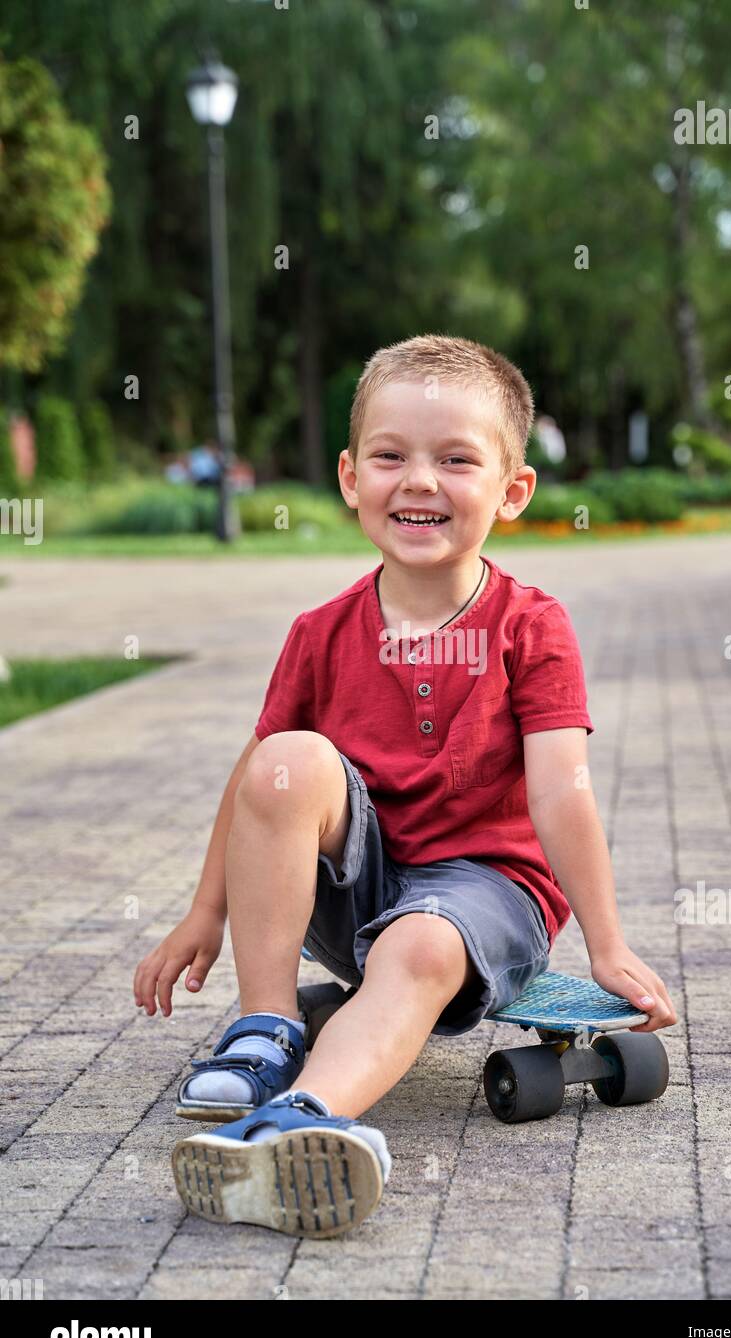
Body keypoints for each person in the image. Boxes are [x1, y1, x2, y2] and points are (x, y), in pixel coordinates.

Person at [133, 333, 676, 1239]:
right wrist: (206, 913)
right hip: (359, 888)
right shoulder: (319, 631)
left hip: (484, 894)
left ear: (512, 491)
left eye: (456, 460)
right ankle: (264, 1031)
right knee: (283, 757)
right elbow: (256, 783)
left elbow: (560, 794)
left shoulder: (530, 629)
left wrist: (611, 945)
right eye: (391, 456)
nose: (419, 481)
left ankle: (300, 1123)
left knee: (422, 947)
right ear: (351, 478)